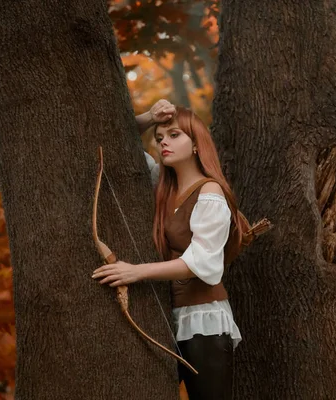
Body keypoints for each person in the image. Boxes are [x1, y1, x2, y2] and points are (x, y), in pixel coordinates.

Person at [92, 99, 241, 399]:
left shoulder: (210, 192)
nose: (163, 143)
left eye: (175, 135)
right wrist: (149, 117)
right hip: (168, 317)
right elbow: (111, 137)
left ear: (197, 144)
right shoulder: (162, 185)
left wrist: (134, 272)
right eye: (160, 139)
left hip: (203, 323)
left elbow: (199, 261)